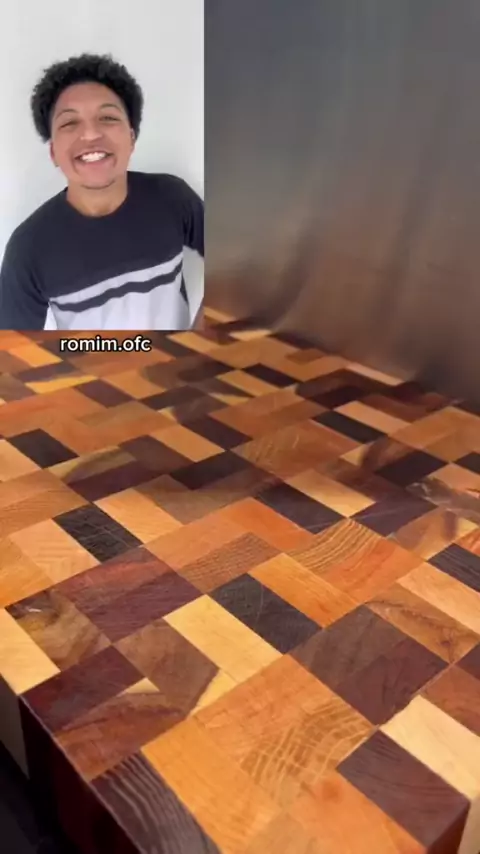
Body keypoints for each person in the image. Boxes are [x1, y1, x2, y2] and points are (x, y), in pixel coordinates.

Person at [0, 53, 204, 331]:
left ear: (131, 138)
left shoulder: (173, 198)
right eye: (69, 123)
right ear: (53, 152)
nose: (90, 134)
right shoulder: (28, 249)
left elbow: (241, 265)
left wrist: (201, 340)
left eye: (107, 117)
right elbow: (14, 351)